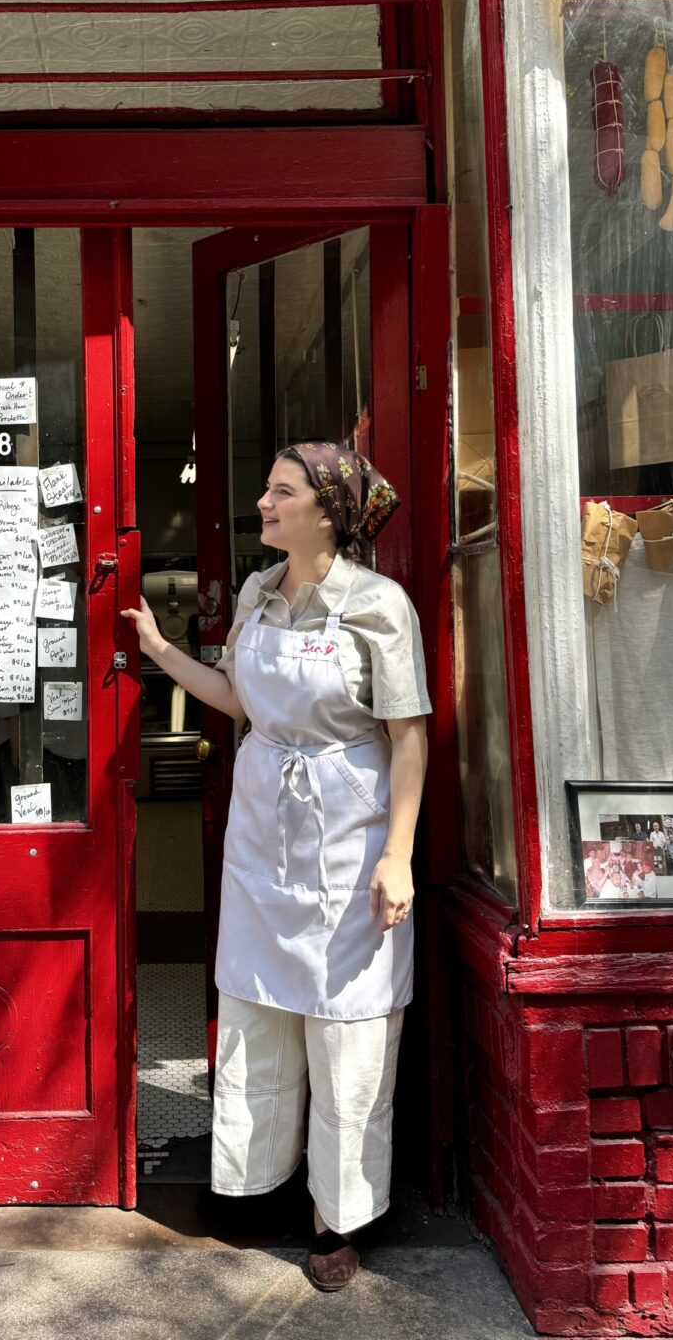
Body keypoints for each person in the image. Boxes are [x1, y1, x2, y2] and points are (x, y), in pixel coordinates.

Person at [123, 442, 429, 1293]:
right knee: (257, 1010)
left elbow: (410, 736)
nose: (262, 503)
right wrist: (157, 650)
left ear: (328, 512)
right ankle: (255, 1184)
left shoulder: (379, 606)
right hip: (265, 827)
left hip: (350, 831)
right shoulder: (258, 594)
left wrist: (397, 856)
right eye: (266, 489)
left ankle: (339, 1215)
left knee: (348, 1025)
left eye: (280, 492)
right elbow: (234, 701)